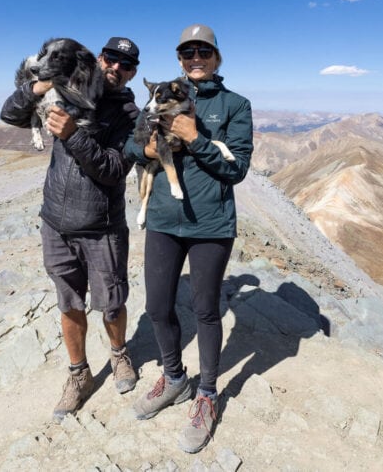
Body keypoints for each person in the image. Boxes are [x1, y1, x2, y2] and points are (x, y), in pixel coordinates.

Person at [124, 24, 253, 453]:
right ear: (180, 59)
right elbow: (130, 145)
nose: (195, 57)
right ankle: (175, 378)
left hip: (211, 225)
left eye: (203, 51)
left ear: (216, 57)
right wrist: (144, 150)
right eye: (187, 52)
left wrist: (195, 136)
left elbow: (236, 170)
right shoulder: (161, 96)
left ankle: (208, 395)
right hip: (162, 219)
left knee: (205, 311)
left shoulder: (236, 105)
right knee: (158, 306)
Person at [0, 36, 142, 422]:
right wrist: (42, 84)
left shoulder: (130, 114)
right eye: (110, 59)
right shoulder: (69, 89)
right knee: (69, 303)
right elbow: (10, 114)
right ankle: (78, 375)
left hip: (102, 227)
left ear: (133, 73)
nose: (115, 68)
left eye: (125, 65)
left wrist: (72, 135)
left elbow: (114, 170)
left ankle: (119, 355)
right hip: (56, 223)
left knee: (111, 303)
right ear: (99, 58)